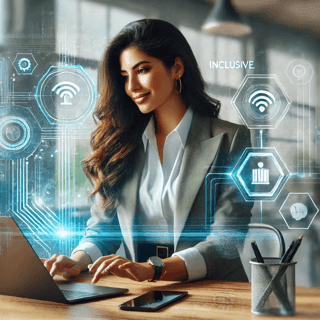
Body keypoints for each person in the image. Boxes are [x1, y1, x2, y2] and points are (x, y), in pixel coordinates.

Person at [45, 19, 252, 284]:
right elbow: (102, 230)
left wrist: (155, 269)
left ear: (176, 68)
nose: (131, 87)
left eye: (142, 70)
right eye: (124, 76)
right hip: (142, 293)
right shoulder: (119, 143)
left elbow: (226, 241)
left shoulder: (232, 139)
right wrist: (77, 260)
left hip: (216, 291)